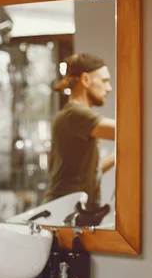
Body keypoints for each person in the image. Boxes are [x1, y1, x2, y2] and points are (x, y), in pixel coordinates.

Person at [45, 53, 116, 208]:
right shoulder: (75, 115)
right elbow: (126, 132)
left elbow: (90, 173)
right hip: (64, 213)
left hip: (70, 211)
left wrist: (117, 155)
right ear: (85, 80)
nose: (109, 88)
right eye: (104, 81)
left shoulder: (74, 117)